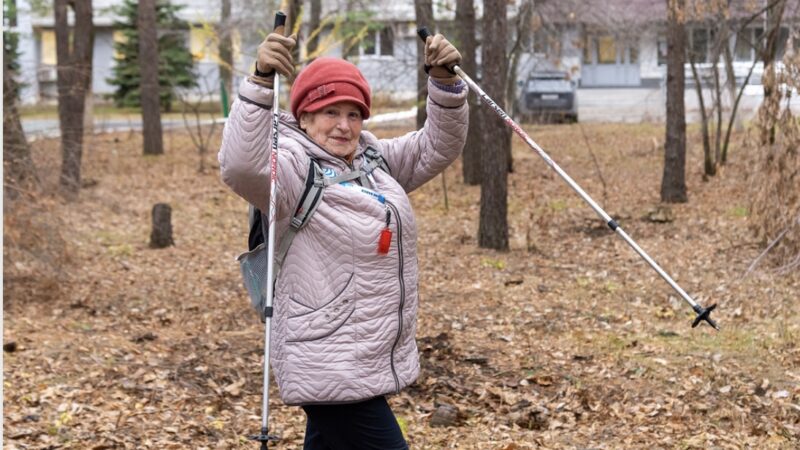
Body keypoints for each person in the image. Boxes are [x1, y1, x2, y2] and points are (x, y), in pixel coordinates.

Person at [218, 29, 467, 449]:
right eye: (330, 112)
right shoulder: (293, 168)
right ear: (305, 117)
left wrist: (443, 82)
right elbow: (241, 167)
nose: (344, 125)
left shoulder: (373, 162)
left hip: (363, 358)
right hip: (328, 361)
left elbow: (436, 147)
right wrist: (260, 80)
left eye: (354, 114)